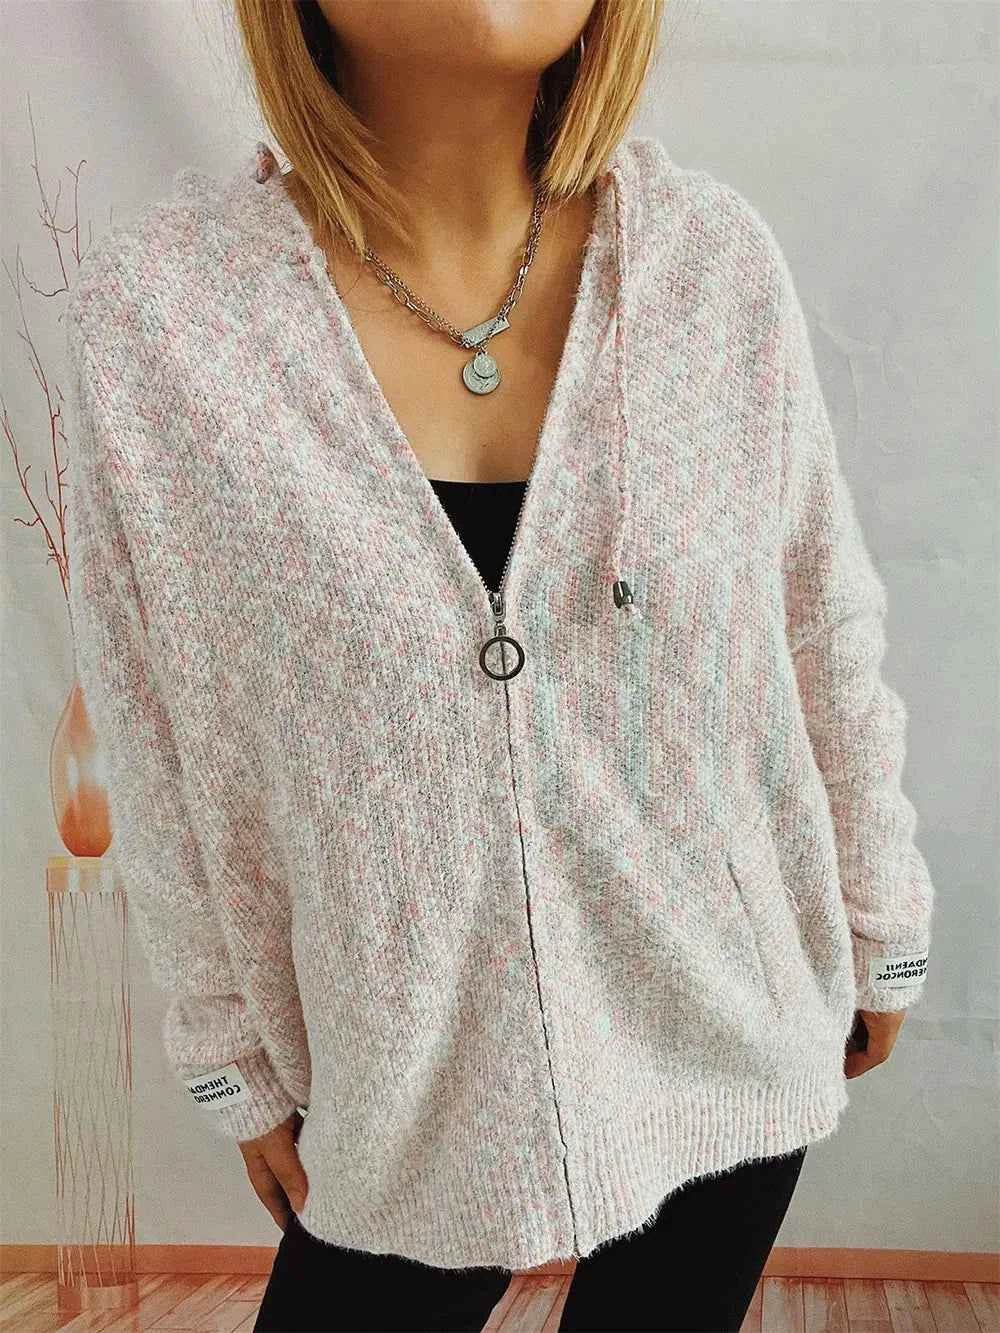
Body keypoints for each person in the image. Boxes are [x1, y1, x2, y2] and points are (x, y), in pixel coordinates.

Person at [64, 1, 935, 1329]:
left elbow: (820, 613)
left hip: (734, 1025)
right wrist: (228, 1050)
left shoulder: (710, 270)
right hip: (397, 1081)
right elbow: (150, 727)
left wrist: (881, 915)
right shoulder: (169, 323)